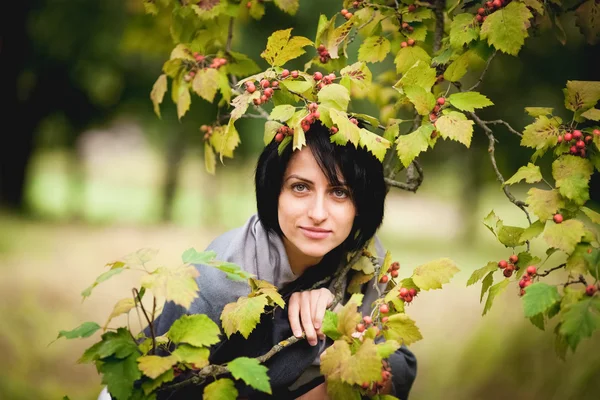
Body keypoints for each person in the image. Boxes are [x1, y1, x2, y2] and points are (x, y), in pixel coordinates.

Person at [99, 121, 417, 399]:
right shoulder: (220, 281)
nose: (319, 214)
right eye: (300, 187)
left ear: (359, 204)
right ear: (273, 191)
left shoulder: (362, 254)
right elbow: (150, 389)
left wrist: (336, 323)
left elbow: (402, 364)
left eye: (339, 193)